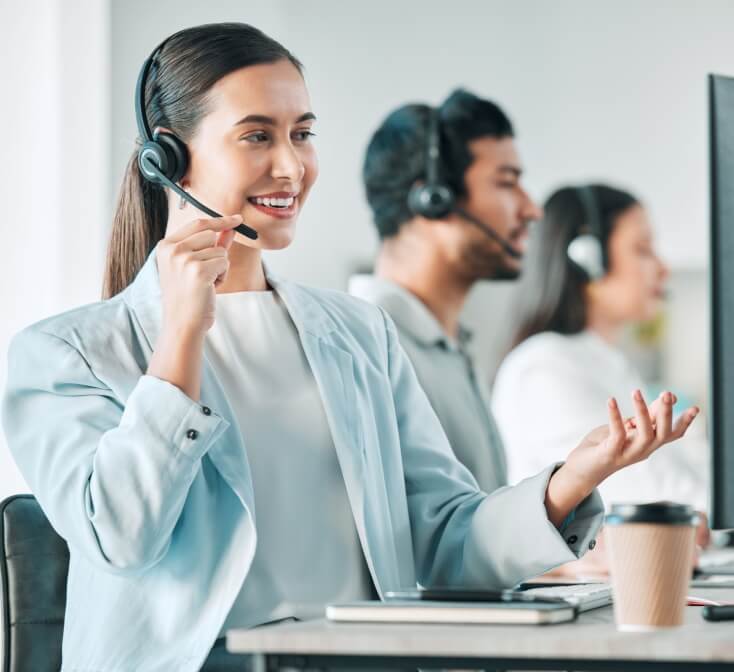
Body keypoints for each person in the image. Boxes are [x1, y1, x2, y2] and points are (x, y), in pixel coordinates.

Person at [1, 24, 697, 672]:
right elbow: (120, 541)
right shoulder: (65, 355)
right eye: (256, 136)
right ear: (168, 155)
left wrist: (572, 477)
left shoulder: (359, 333)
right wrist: (182, 335)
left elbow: (446, 545)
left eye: (302, 134)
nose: (291, 166)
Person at [351, 90, 538, 493]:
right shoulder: (368, 350)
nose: (530, 209)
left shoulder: (446, 346)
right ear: (434, 200)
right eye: (507, 183)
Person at [492, 183, 709, 526]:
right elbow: (653, 501)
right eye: (643, 249)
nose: (663, 268)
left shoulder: (608, 361)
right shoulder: (545, 368)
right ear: (587, 260)